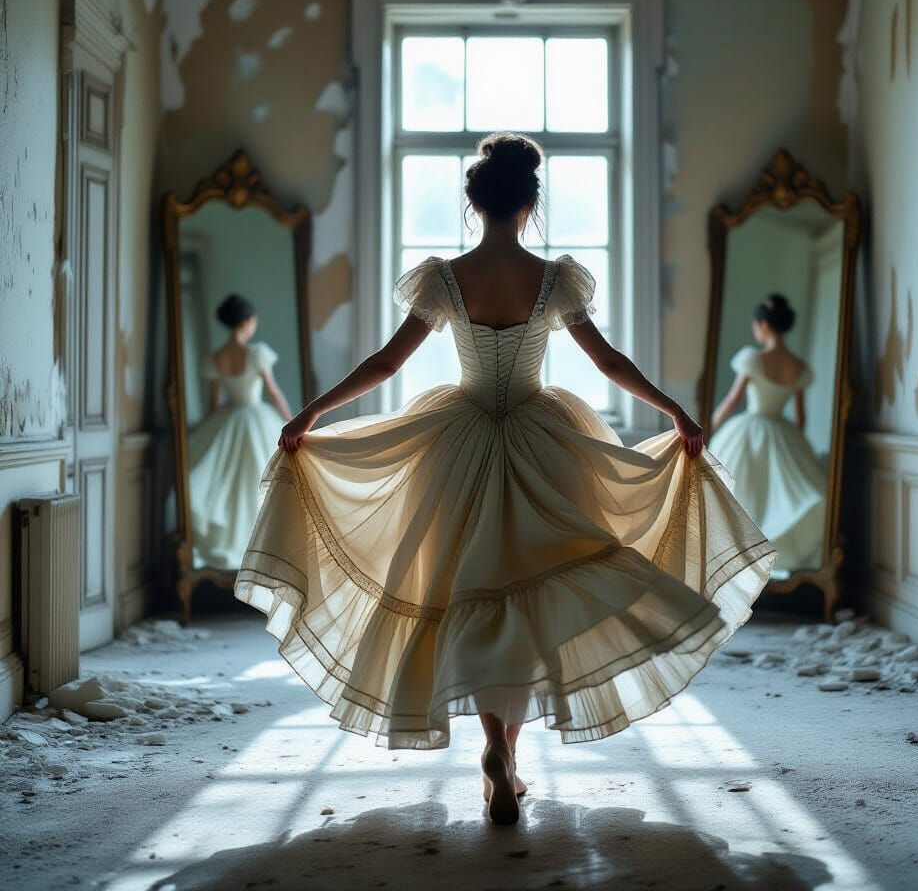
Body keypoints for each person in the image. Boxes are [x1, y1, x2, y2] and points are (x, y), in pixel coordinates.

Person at [234, 133, 775, 825]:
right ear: (529, 202)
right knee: (525, 598)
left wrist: (310, 413)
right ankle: (508, 764)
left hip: (454, 441)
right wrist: (676, 413)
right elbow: (608, 363)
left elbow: (385, 365)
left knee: (468, 589)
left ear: (474, 202)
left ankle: (495, 753)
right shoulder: (553, 279)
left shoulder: (445, 279)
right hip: (540, 437)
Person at [709, 294, 827, 574]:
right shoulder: (799, 366)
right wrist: (796, 448)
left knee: (747, 494)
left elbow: (733, 400)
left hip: (750, 429)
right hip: (783, 432)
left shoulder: (753, 359)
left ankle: (742, 559)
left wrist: (708, 425)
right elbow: (801, 416)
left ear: (763, 325)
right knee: (774, 497)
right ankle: (767, 557)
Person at [188, 294, 291, 571]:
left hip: (228, 420)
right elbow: (272, 391)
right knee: (253, 480)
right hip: (255, 417)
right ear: (247, 322)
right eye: (254, 320)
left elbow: (214, 402)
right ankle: (257, 545)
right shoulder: (256, 353)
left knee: (229, 483)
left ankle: (238, 542)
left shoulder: (216, 357)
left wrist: (202, 429)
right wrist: (293, 419)